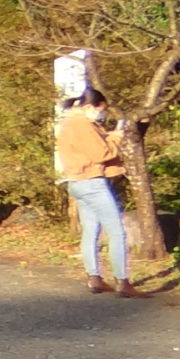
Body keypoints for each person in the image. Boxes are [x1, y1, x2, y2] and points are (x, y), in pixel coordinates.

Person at [57, 90, 135, 296]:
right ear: (90, 107)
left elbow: (91, 146)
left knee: (90, 231)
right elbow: (101, 152)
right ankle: (122, 281)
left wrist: (109, 136)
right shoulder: (82, 124)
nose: (101, 115)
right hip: (92, 182)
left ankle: (94, 278)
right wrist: (117, 137)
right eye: (101, 110)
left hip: (77, 182)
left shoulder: (69, 123)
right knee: (116, 231)